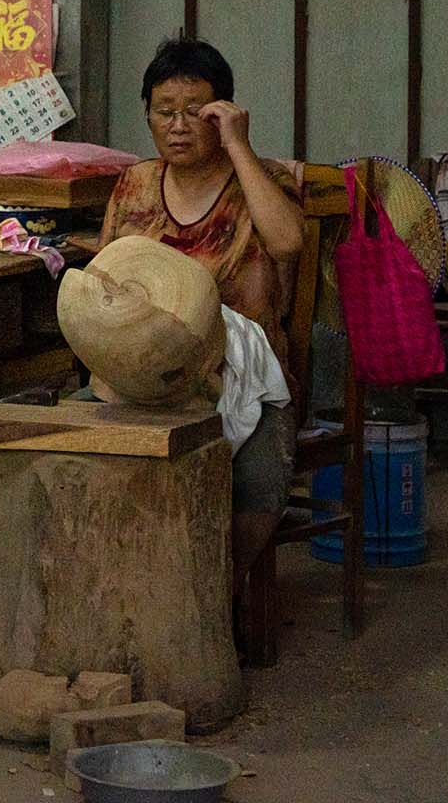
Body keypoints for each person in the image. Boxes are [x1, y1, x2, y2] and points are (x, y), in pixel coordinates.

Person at [99, 36, 304, 583]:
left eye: (196, 112)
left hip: (244, 377)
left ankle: (213, 598)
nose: (179, 125)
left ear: (224, 114)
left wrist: (240, 145)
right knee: (80, 453)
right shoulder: (135, 185)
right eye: (164, 112)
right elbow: (105, 281)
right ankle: (136, 590)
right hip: (145, 371)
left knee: (259, 484)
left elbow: (286, 243)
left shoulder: (263, 182)